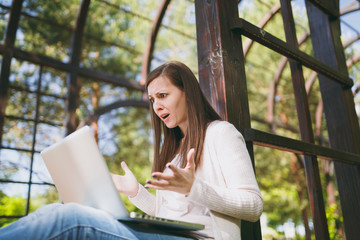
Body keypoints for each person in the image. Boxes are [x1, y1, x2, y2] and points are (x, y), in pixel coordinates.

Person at [0, 61, 263, 240]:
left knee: (70, 218)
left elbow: (253, 206)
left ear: (187, 93)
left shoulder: (221, 133)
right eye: (151, 100)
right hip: (168, 235)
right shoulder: (174, 148)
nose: (156, 106)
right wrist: (135, 191)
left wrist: (193, 187)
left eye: (163, 95)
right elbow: (168, 217)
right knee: (51, 211)